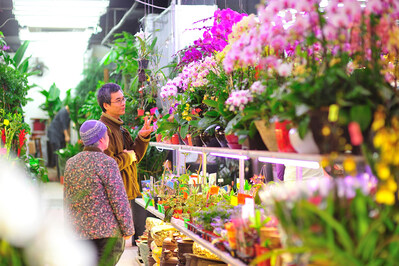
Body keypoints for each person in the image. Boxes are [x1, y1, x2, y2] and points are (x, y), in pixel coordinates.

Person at [64, 120, 134, 266]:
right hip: (107, 236)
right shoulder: (107, 162)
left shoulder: (71, 163)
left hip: (79, 235)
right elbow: (118, 199)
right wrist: (128, 228)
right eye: (107, 135)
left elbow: (68, 200)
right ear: (102, 139)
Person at [97, 82, 153, 245]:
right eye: (118, 100)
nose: (123, 103)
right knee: (114, 246)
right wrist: (127, 157)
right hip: (115, 195)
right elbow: (107, 165)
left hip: (127, 190)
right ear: (106, 105)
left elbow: (134, 156)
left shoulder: (119, 128)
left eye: (123, 99)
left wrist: (142, 137)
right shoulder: (103, 130)